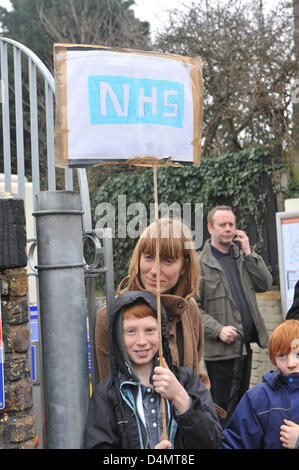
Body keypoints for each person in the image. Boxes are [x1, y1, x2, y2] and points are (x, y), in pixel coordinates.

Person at [85, 290, 223, 449]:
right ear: (118, 337)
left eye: (149, 330)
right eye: (131, 331)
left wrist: (181, 398)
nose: (142, 341)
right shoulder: (106, 394)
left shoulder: (187, 381)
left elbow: (212, 442)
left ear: (162, 333)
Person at [95, 217, 211, 390]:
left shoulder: (189, 308)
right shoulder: (110, 315)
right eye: (148, 257)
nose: (155, 271)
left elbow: (196, 373)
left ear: (184, 267)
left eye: (168, 261)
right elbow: (109, 391)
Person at [196, 205, 272, 422]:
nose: (228, 229)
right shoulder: (200, 263)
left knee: (241, 409)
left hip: (244, 349)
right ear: (211, 228)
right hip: (220, 353)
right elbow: (192, 309)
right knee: (221, 411)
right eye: (223, 225)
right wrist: (218, 330)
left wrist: (249, 252)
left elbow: (265, 283)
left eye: (231, 224)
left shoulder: (241, 257)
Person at [220, 319, 299, 449]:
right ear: (274, 360)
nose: (291, 364)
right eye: (282, 356)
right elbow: (235, 443)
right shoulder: (257, 398)